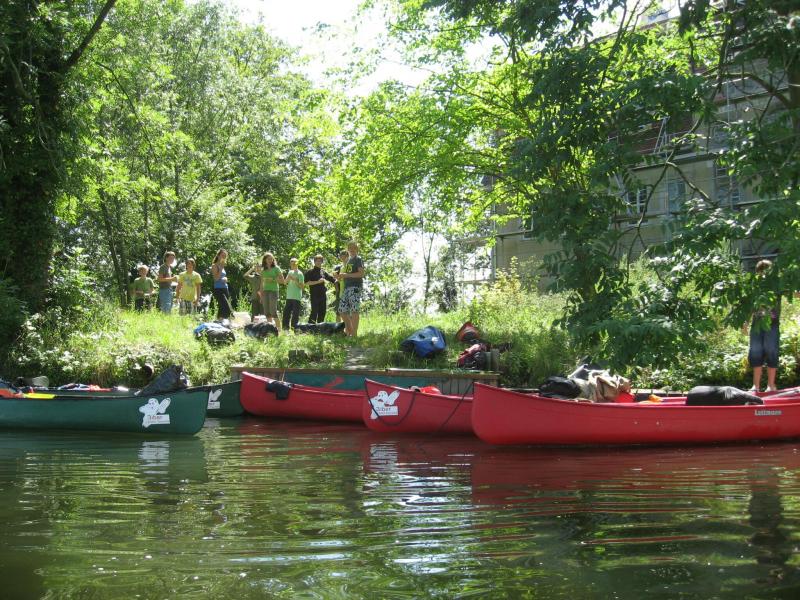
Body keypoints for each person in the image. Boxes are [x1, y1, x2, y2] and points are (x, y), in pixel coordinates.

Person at [746, 259, 781, 392]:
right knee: (755, 351)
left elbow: (794, 293)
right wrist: (746, 322)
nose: (764, 273)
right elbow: (749, 306)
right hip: (757, 325)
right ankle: (755, 385)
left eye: (767, 270)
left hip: (772, 324)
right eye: (761, 271)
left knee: (772, 350)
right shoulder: (754, 286)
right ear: (757, 272)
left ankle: (771, 385)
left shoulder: (777, 285)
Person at [336, 241, 365, 337]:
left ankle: (354, 334)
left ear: (357, 249)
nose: (352, 249)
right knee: (342, 310)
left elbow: (361, 274)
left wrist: (346, 275)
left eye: (354, 248)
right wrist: (339, 277)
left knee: (354, 310)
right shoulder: (348, 261)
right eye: (350, 248)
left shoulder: (358, 259)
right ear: (347, 249)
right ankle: (349, 331)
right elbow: (346, 276)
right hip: (346, 288)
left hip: (355, 287)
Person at [304, 254, 336, 323]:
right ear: (314, 262)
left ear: (322, 262)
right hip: (314, 294)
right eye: (317, 261)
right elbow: (306, 282)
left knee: (322, 311)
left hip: (322, 295)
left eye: (320, 261)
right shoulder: (310, 272)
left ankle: (320, 327)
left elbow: (331, 279)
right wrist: (318, 282)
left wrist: (338, 279)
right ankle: (310, 327)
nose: (318, 262)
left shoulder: (323, 272)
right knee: (314, 311)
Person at [260, 252, 284, 331]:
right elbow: (261, 283)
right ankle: (270, 330)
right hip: (265, 291)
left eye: (271, 259)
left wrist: (273, 279)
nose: (270, 260)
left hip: (273, 291)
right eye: (268, 259)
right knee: (267, 312)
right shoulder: (263, 270)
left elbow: (282, 281)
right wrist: (261, 294)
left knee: (273, 311)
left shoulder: (276, 268)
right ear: (265, 260)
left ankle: (279, 330)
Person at [282, 257, 305, 330]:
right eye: (291, 264)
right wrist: (288, 279)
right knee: (286, 313)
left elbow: (302, 287)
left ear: (297, 264)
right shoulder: (290, 272)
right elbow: (285, 283)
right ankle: (285, 328)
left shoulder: (300, 274)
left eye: (294, 264)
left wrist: (295, 280)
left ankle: (294, 328)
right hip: (289, 296)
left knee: (295, 314)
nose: (292, 265)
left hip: (296, 297)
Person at [211, 248, 233, 319]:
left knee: (224, 306)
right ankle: (223, 320)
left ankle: (220, 321)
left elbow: (222, 277)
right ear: (218, 256)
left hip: (225, 288)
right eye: (222, 256)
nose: (224, 258)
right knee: (225, 306)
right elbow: (216, 279)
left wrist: (226, 279)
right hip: (218, 289)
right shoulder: (214, 266)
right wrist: (220, 268)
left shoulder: (222, 266)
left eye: (225, 256)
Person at [332, 249, 349, 323]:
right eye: (341, 256)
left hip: (349, 289)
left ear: (347, 256)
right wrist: (337, 290)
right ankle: (338, 327)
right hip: (340, 291)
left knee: (348, 311)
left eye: (344, 255)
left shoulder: (350, 266)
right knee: (338, 311)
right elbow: (336, 280)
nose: (342, 257)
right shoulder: (338, 267)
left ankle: (348, 327)